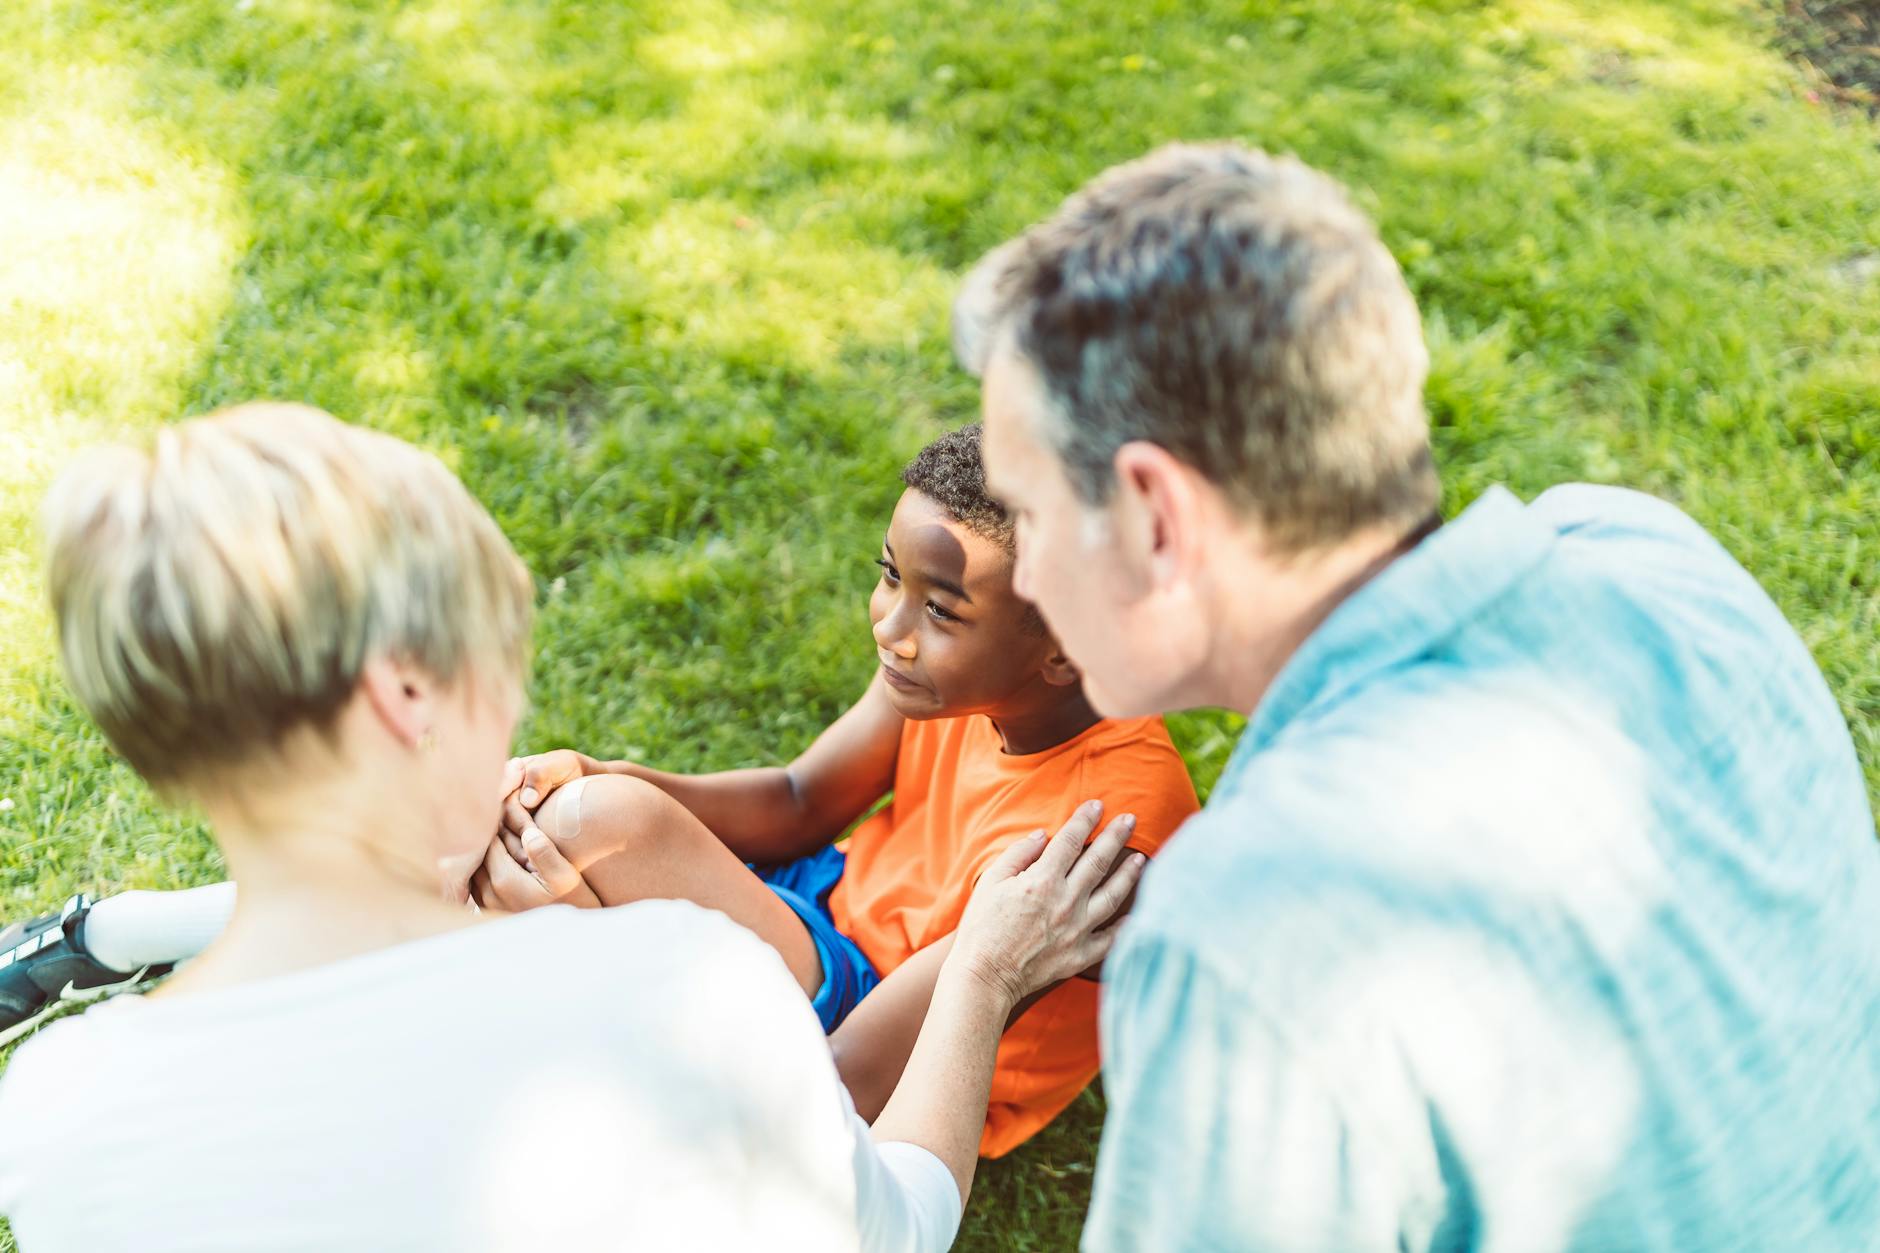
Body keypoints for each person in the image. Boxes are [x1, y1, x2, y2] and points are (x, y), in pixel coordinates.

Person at [952, 143, 1880, 1249]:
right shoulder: (1656, 556)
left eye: (1033, 514)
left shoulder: (1253, 931)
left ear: (1157, 516)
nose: (1032, 574)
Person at [0, 403, 1144, 1251]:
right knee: (573, 830)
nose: (891, 627)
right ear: (411, 697)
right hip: (828, 943)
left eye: (933, 606)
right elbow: (884, 1216)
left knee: (568, 835)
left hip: (882, 996)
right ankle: (112, 935)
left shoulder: (44, 1119)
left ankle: (112, 935)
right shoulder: (690, 988)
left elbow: (850, 1065)